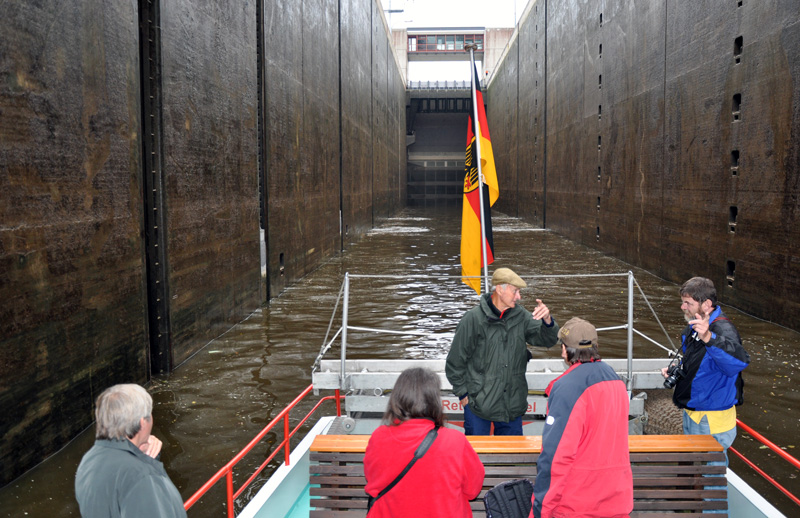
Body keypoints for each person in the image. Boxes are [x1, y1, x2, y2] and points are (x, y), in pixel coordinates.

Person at [532, 317, 633, 518]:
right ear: (596, 346)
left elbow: (556, 457)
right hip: (616, 498)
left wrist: (541, 509)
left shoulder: (567, 388)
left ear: (564, 350)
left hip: (577, 503)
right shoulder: (616, 380)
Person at [446, 267, 559, 435]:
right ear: (499, 289)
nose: (519, 296)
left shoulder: (522, 317)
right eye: (515, 291)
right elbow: (455, 363)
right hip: (478, 406)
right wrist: (464, 396)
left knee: (512, 457)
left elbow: (548, 339)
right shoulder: (473, 319)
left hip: (511, 407)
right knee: (477, 457)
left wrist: (548, 321)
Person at [364, 367, 484, 518]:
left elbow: (373, 483)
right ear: (434, 401)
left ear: (397, 398)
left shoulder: (379, 437)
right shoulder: (455, 441)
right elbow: (472, 490)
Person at [662, 277, 750, 462]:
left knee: (709, 475)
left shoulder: (723, 330)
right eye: (682, 302)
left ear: (707, 304)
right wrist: (677, 370)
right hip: (695, 411)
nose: (683, 307)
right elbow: (699, 363)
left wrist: (709, 337)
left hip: (711, 419)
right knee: (693, 468)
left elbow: (738, 362)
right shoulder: (696, 324)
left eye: (688, 303)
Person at [75, 384, 187, 518]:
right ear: (142, 423)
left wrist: (145, 456)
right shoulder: (141, 476)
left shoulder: (89, 460)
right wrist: (147, 466)